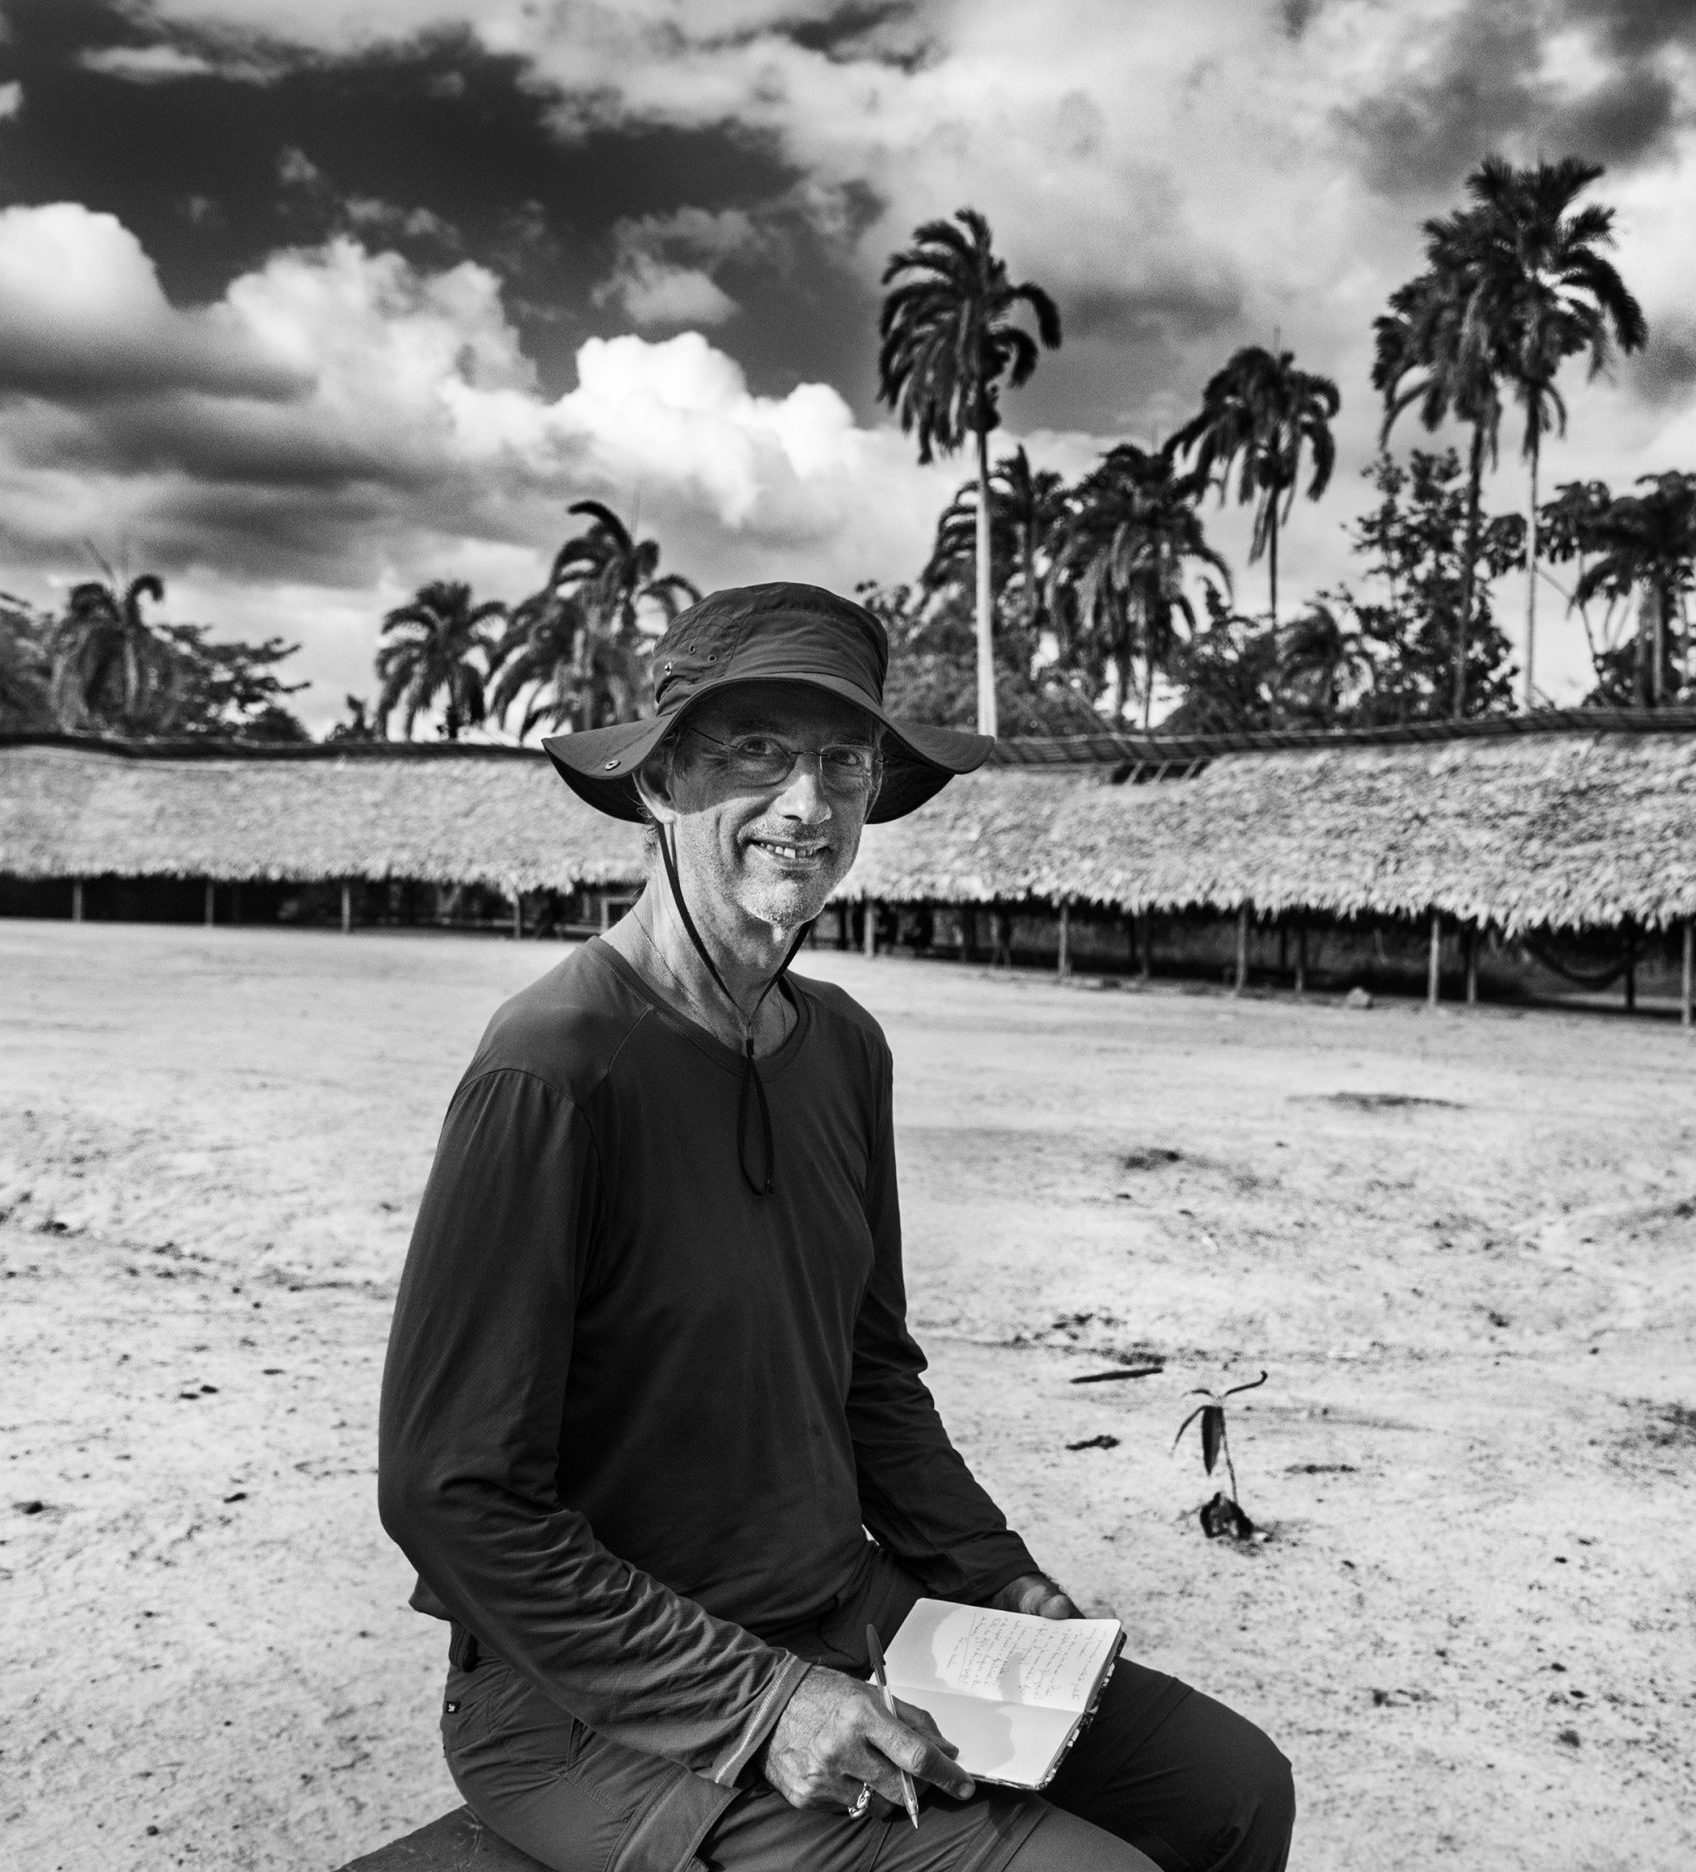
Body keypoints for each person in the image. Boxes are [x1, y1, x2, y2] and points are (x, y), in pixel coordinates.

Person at [378, 584, 1293, 1872]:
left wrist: (995, 1578)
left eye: (842, 762)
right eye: (755, 753)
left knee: (1234, 1790)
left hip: (847, 1612)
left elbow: (869, 1372)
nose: (807, 804)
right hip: (591, 1707)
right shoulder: (554, 1068)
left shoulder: (845, 1049)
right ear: (659, 787)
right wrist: (760, 1706)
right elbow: (449, 1493)